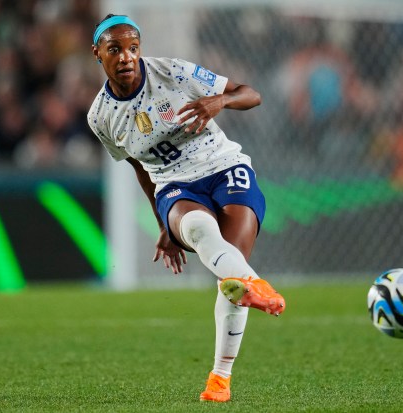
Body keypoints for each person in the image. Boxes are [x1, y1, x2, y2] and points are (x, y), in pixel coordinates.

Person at [87, 14, 285, 403]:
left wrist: (221, 101)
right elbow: (138, 166)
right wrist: (163, 221)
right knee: (199, 231)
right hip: (175, 185)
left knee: (232, 269)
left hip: (225, 168)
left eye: (132, 48)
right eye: (115, 50)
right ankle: (254, 286)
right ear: (98, 53)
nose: (126, 57)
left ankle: (219, 379)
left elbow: (252, 93)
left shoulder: (174, 72)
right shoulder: (101, 116)